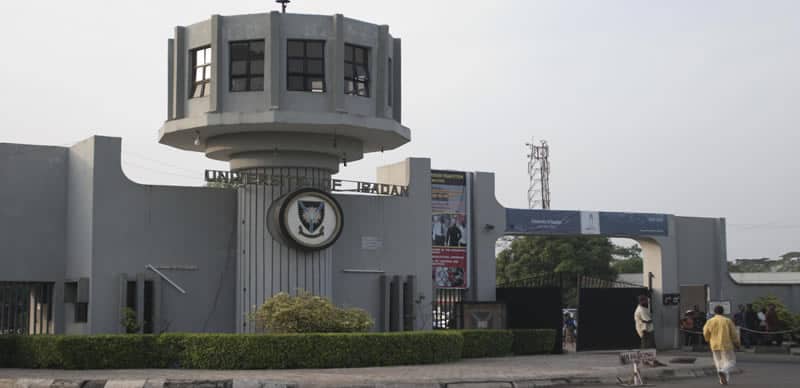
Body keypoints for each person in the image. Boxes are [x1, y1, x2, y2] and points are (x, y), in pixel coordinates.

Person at [703, 305, 741, 385]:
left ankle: (723, 380)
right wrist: (737, 343)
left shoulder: (710, 321)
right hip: (726, 345)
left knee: (719, 363)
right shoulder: (727, 321)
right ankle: (723, 372)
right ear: (723, 312)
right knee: (731, 362)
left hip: (714, 345)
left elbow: (705, 332)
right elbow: (734, 334)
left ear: (714, 312)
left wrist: (707, 339)